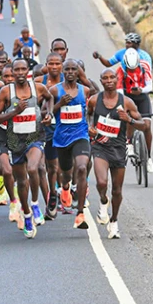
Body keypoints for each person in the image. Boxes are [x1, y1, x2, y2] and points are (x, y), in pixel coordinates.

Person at [0, 60, 54, 238]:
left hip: (34, 136)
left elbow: (49, 98)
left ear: (28, 71)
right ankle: (26, 214)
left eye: (23, 69)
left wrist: (48, 113)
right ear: (12, 72)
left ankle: (35, 203)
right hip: (14, 140)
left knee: (34, 168)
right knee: (21, 181)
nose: (20, 72)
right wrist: (14, 112)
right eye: (16, 69)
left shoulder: (39, 88)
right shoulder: (6, 92)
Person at [88, 68, 148, 239]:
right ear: (101, 81)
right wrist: (89, 128)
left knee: (117, 190)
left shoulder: (126, 102)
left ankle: (113, 222)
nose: (109, 81)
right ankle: (103, 201)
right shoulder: (94, 100)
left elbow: (144, 125)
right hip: (100, 147)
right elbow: (88, 117)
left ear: (117, 80)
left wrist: (128, 120)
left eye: (112, 77)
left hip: (119, 148)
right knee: (101, 182)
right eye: (105, 78)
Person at [51, 59, 96, 227]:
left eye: (73, 69)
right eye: (67, 69)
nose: (70, 72)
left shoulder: (85, 91)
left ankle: (80, 214)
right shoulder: (55, 90)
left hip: (81, 135)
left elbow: (93, 105)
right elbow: (46, 111)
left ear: (78, 72)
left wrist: (91, 125)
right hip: (62, 138)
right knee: (65, 172)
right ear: (62, 71)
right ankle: (64, 187)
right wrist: (59, 104)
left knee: (83, 167)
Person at [117, 48, 153, 172]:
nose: (132, 70)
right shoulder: (120, 70)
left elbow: (149, 85)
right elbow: (118, 91)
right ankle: (129, 143)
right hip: (128, 97)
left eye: (134, 68)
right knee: (130, 119)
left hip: (142, 96)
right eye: (130, 68)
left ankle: (148, 157)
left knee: (147, 126)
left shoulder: (145, 67)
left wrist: (141, 90)